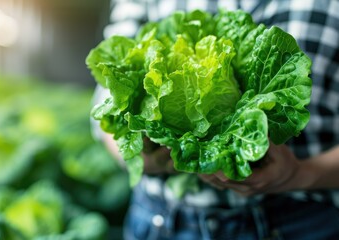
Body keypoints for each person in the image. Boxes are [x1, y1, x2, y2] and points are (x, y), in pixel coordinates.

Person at [91, 0, 339, 239]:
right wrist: (138, 154)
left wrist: (300, 174)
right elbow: (108, 88)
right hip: (162, 222)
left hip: (304, 221)